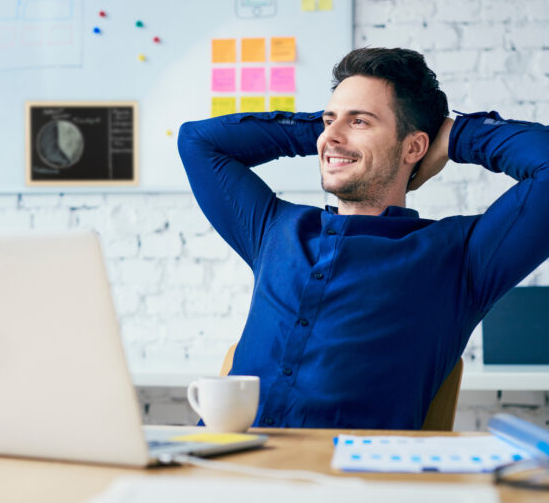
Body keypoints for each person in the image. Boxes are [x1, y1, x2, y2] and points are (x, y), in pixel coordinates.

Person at [178, 47, 549, 429]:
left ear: (414, 146)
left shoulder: (461, 256)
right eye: (329, 119)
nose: (331, 137)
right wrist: (325, 133)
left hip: (347, 481)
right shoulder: (275, 227)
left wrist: (455, 135)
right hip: (219, 468)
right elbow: (197, 141)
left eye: (360, 122)